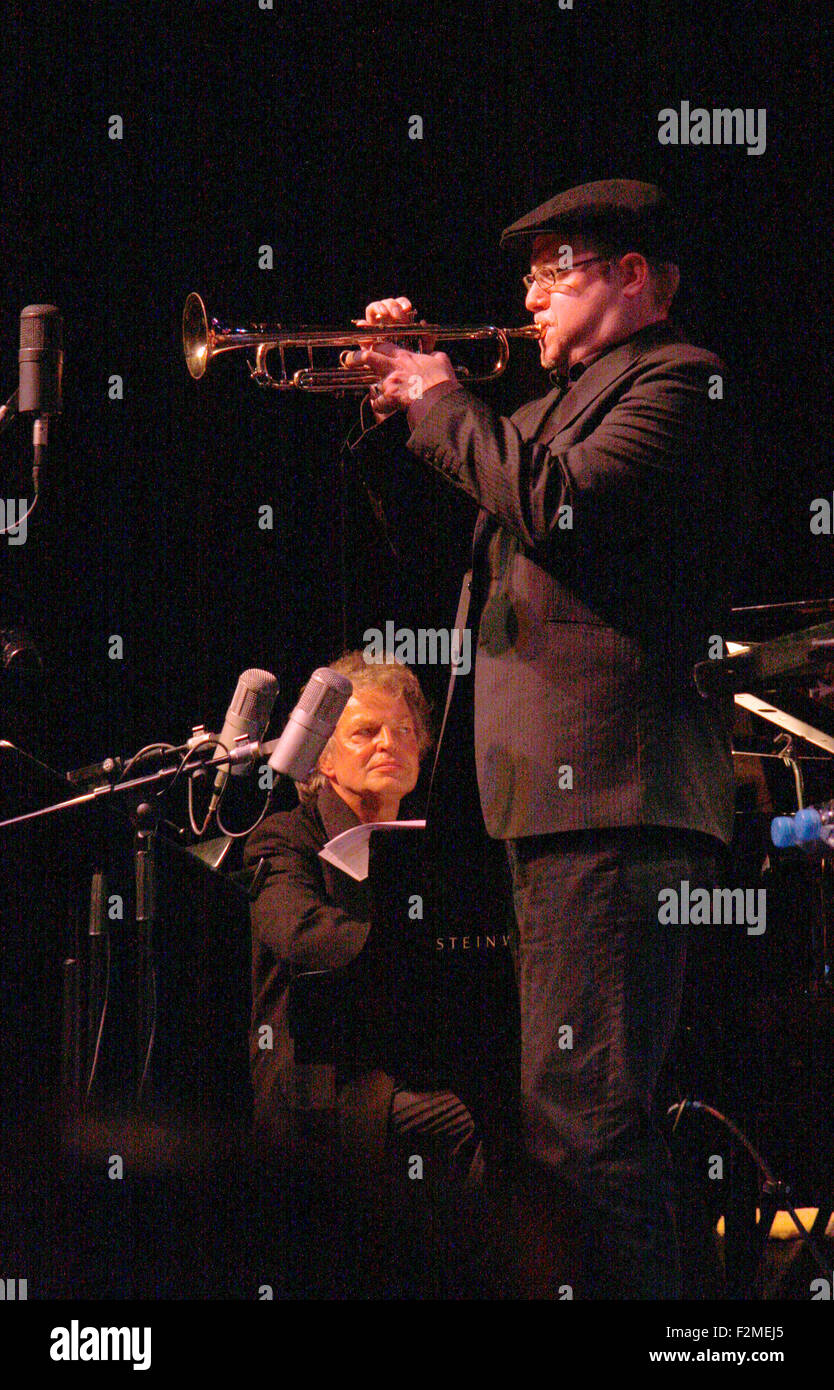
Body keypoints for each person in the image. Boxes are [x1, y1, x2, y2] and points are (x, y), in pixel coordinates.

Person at [353, 179, 737, 1298]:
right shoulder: (540, 410)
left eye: (551, 267)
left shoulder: (681, 383)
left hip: (615, 796)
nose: (527, 292)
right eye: (527, 272)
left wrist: (443, 404)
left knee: (588, 1123)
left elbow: (567, 508)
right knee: (563, 1121)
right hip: (549, 805)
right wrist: (394, 409)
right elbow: (445, 539)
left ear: (631, 276)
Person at [244, 650, 483, 1192]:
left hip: (415, 1061)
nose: (388, 744)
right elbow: (301, 933)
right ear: (323, 758)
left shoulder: (439, 848)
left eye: (402, 731)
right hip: (327, 1085)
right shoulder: (284, 837)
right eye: (365, 732)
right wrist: (415, 952)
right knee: (470, 1124)